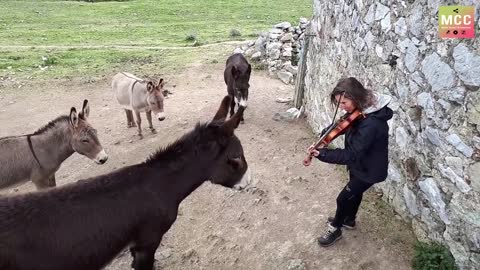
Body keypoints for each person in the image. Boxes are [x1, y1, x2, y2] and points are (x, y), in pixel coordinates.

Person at [307, 77, 393, 247]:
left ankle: (336, 228)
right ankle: (349, 219)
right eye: (340, 103)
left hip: (369, 170)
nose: (342, 107)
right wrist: (324, 136)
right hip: (360, 165)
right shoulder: (362, 110)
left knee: (343, 198)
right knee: (355, 193)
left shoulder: (372, 124)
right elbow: (341, 125)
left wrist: (322, 154)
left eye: (344, 102)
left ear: (356, 97)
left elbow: (351, 154)